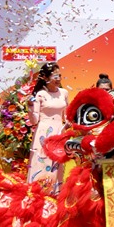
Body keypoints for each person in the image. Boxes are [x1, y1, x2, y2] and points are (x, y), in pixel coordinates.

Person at [26, 62, 69, 193]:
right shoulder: (40, 95)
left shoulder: (64, 93)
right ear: (45, 78)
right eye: (55, 76)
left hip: (59, 132)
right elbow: (34, 121)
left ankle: (56, 194)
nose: (58, 79)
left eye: (59, 76)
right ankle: (38, 193)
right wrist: (30, 107)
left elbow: (66, 116)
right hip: (43, 133)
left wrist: (69, 127)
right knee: (42, 163)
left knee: (57, 164)